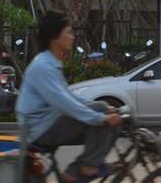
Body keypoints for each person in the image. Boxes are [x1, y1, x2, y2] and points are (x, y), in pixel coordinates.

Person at [16, 12, 123, 182]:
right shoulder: (43, 66)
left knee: (104, 111)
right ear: (54, 37)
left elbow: (68, 97)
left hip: (48, 122)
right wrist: (100, 118)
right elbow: (65, 103)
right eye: (68, 32)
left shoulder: (51, 62)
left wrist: (104, 110)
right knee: (102, 118)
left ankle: (83, 167)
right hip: (39, 129)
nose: (73, 37)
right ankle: (83, 168)